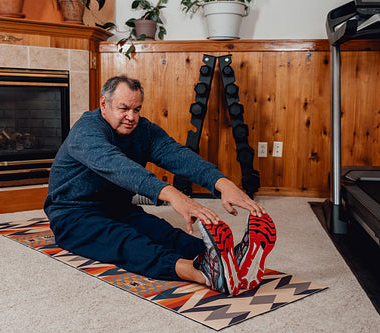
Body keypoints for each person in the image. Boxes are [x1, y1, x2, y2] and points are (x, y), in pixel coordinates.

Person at [44, 75, 275, 295]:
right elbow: (117, 166)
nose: (131, 117)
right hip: (74, 214)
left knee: (164, 232)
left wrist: (222, 183)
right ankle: (202, 273)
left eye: (136, 109)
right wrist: (173, 195)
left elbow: (176, 154)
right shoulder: (86, 131)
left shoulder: (143, 130)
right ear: (103, 104)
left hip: (118, 208)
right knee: (127, 241)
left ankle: (231, 261)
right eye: (123, 108)